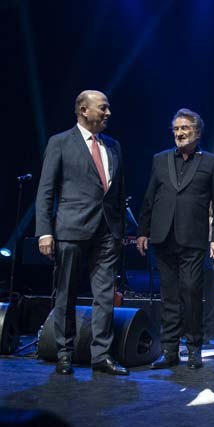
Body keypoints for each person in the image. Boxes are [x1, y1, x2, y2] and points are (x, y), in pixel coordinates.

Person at [35, 90, 128, 375]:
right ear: (83, 110)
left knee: (104, 296)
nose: (108, 113)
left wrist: (121, 230)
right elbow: (46, 189)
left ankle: (101, 355)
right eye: (103, 108)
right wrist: (44, 232)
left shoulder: (113, 146)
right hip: (71, 229)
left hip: (107, 232)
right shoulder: (60, 142)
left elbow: (118, 191)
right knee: (66, 293)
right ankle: (64, 352)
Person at [136, 108, 214, 370]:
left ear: (197, 132)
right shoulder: (160, 159)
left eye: (185, 128)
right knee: (170, 296)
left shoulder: (212, 162)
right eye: (176, 129)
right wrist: (143, 231)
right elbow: (150, 198)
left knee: (191, 292)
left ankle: (194, 348)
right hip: (163, 236)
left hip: (194, 238)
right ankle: (169, 351)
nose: (179, 133)